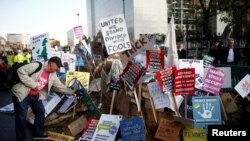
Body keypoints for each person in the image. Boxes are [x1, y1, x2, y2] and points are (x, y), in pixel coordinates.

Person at [11, 56, 75, 141]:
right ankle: (21, 139)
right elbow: (20, 71)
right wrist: (34, 85)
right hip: (23, 94)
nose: (58, 68)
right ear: (51, 63)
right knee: (21, 117)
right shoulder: (37, 65)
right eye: (57, 66)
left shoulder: (53, 74)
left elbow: (59, 86)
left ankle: (37, 134)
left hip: (35, 95)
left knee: (40, 112)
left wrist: (73, 92)